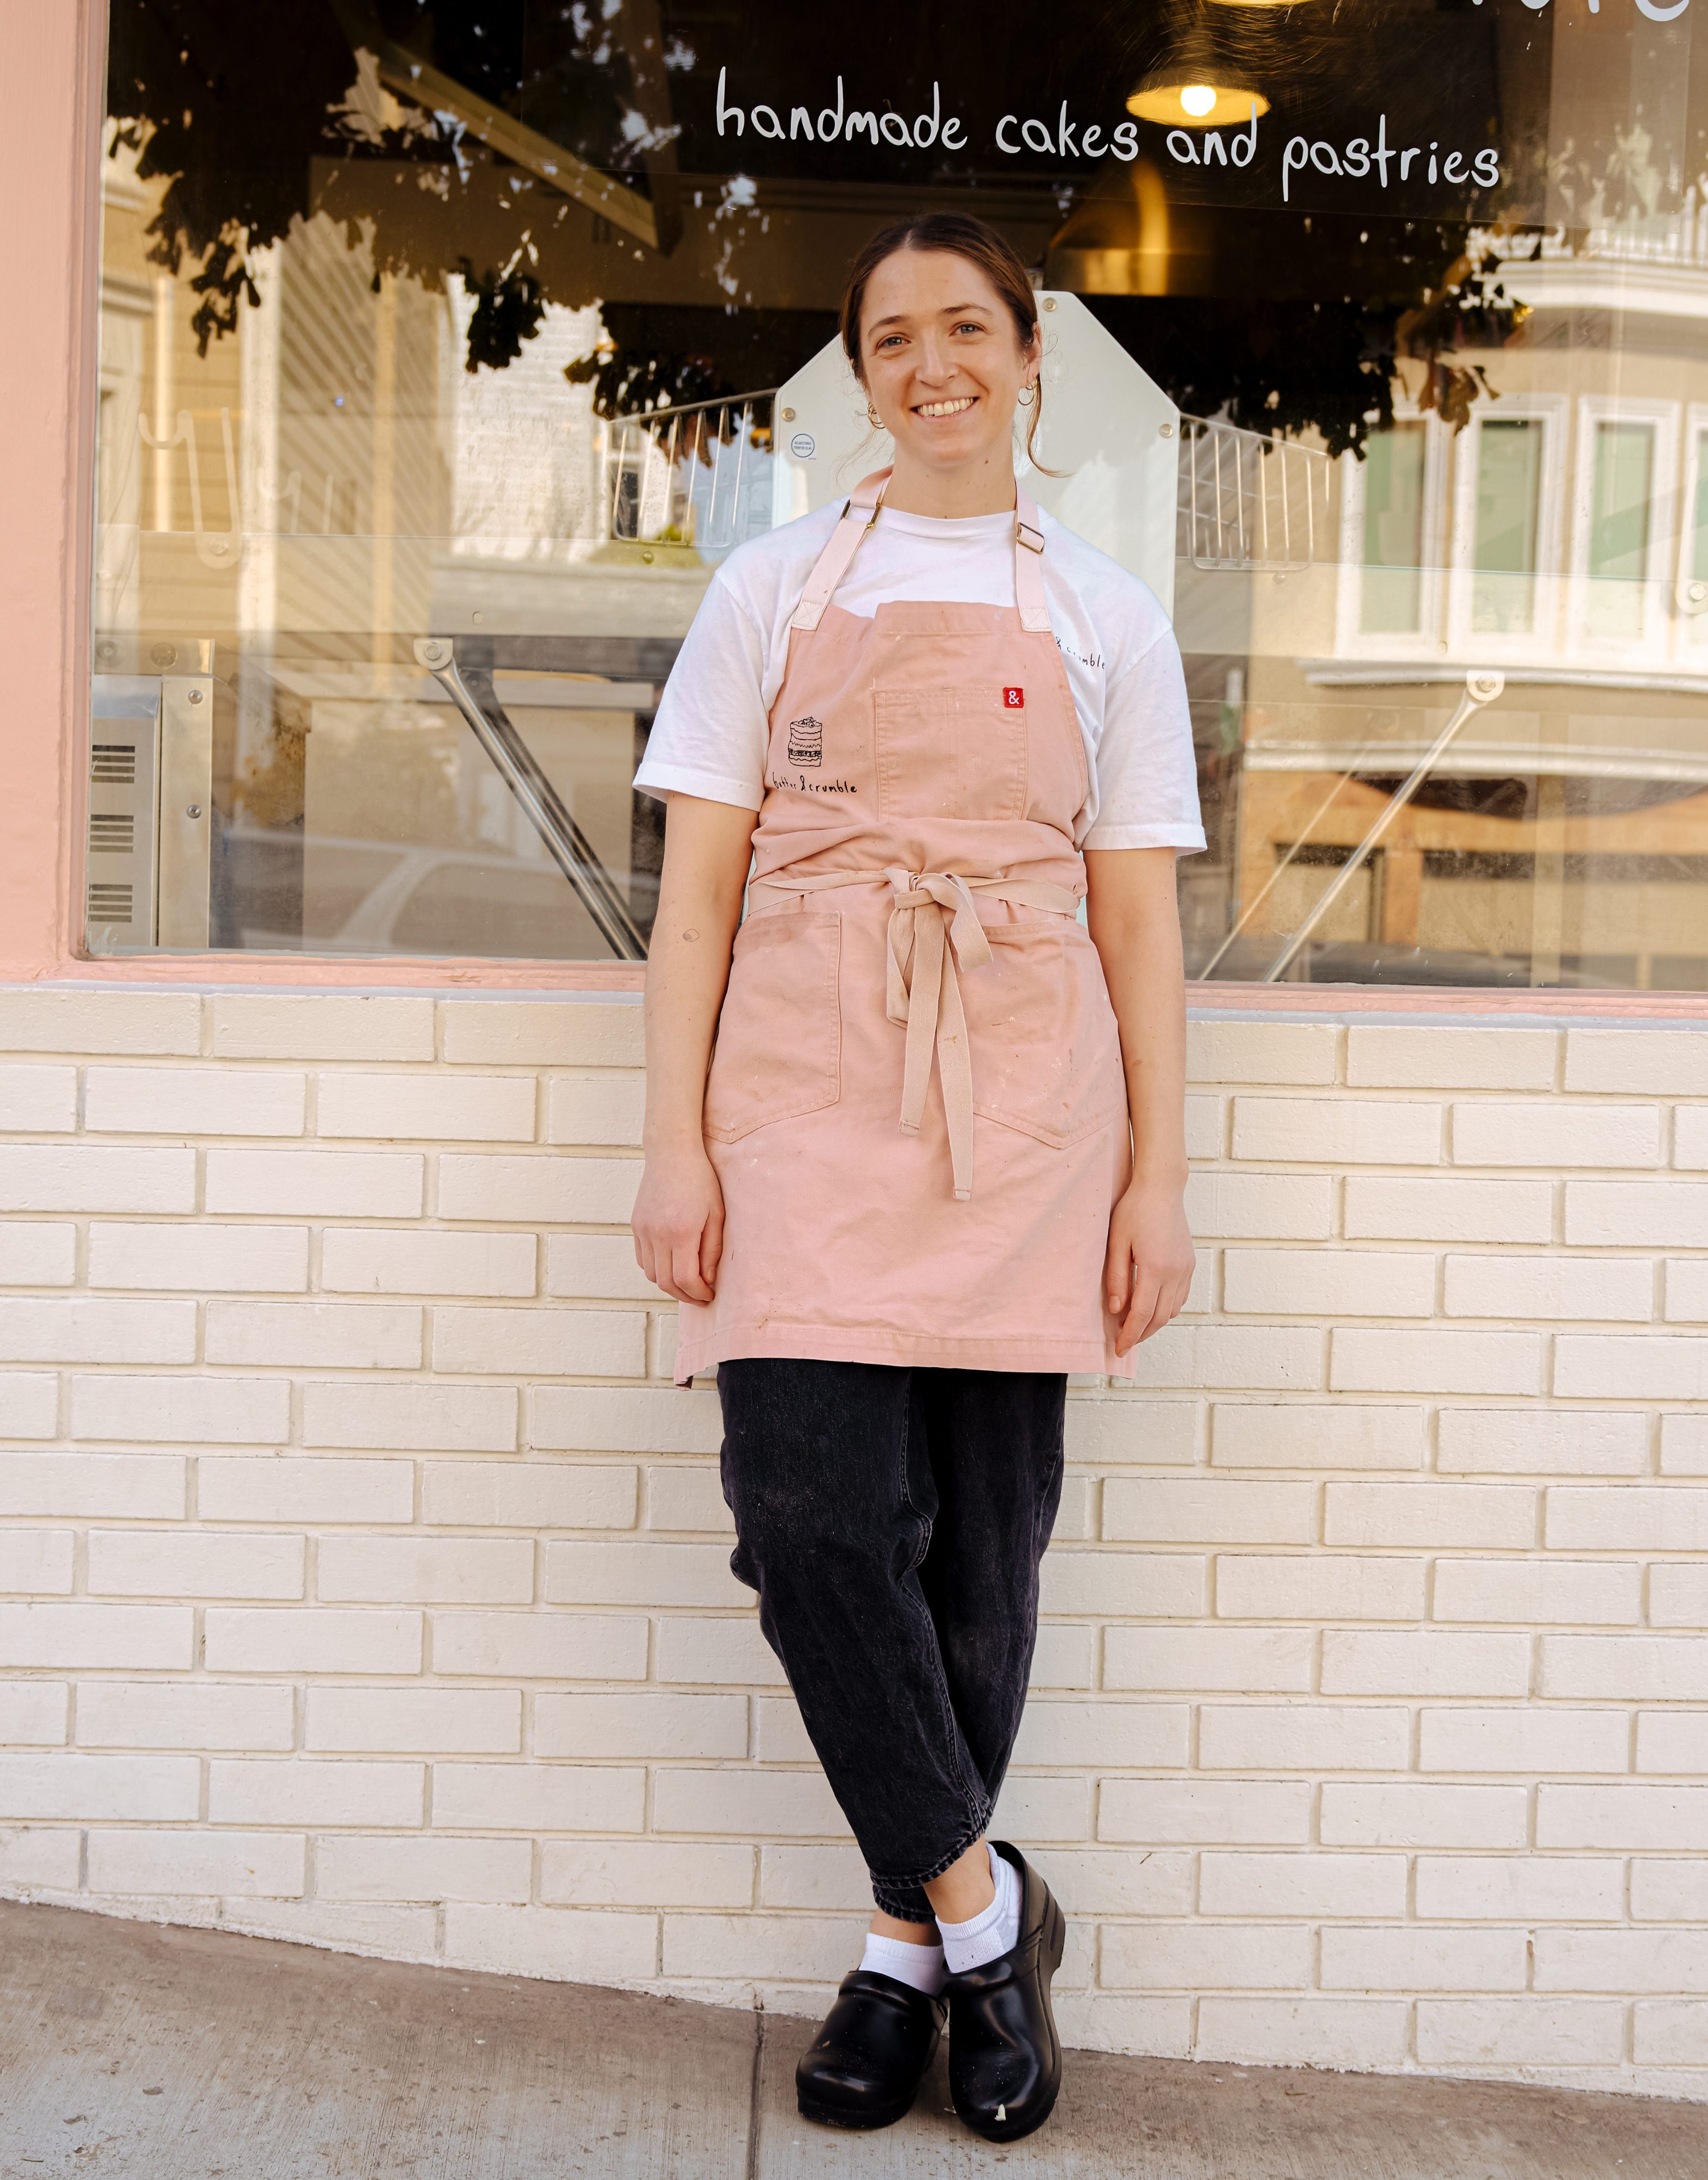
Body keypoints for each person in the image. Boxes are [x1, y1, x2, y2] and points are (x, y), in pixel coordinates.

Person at [630, 212, 1201, 2144]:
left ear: (1031, 359)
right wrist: (674, 1139)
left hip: (1029, 1106)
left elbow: (1139, 924)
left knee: (982, 1547)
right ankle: (986, 1913)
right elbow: (693, 901)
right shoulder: (772, 587)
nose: (934, 362)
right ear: (858, 374)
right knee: (810, 1518)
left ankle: (892, 1956)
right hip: (801, 1089)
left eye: (970, 327)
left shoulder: (1111, 614)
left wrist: (1157, 1185)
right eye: (895, 336)